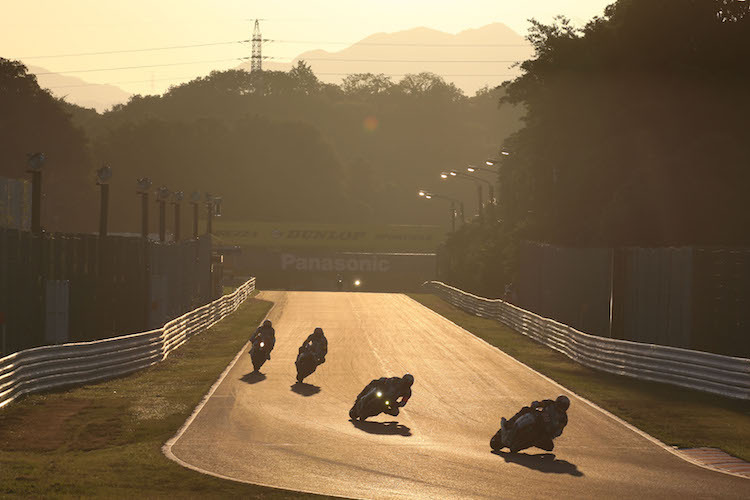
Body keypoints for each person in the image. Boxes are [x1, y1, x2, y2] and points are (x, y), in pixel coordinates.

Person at [500, 395, 570, 452]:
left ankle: (526, 444)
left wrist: (552, 433)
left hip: (545, 431)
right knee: (525, 409)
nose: (561, 407)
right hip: (537, 419)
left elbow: (559, 431)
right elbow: (541, 404)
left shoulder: (563, 418)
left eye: (563, 406)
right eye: (561, 405)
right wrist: (536, 404)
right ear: (557, 402)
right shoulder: (550, 403)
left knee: (549, 447)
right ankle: (509, 424)